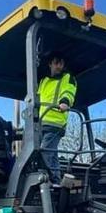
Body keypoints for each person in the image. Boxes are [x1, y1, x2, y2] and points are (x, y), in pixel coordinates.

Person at [36, 51, 77, 182]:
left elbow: (68, 91)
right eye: (56, 63)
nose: (59, 66)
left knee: (45, 151)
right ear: (50, 64)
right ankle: (51, 180)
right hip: (41, 122)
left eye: (61, 64)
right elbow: (37, 98)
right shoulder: (43, 81)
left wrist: (64, 102)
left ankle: (49, 180)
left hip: (56, 123)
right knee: (47, 153)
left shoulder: (68, 77)